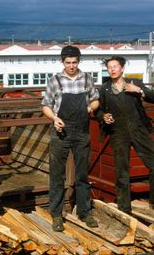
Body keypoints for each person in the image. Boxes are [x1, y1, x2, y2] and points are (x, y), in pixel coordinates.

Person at [96, 56, 154, 213]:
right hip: (118, 133)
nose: (112, 69)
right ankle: (124, 207)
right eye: (109, 67)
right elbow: (99, 110)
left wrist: (138, 90)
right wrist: (103, 116)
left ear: (122, 69)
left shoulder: (134, 83)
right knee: (121, 170)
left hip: (139, 129)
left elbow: (153, 98)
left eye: (115, 66)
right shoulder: (104, 89)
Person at [42, 45, 100, 232]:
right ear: (62, 62)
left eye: (74, 62)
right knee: (57, 175)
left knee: (82, 174)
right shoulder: (54, 80)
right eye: (68, 62)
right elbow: (46, 105)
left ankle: (85, 212)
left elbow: (95, 99)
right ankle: (57, 214)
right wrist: (54, 118)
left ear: (79, 62)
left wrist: (90, 109)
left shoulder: (87, 79)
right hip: (61, 132)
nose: (71, 66)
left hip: (82, 131)